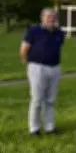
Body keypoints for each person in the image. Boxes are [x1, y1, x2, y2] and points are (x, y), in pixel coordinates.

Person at [20, 8, 65, 136]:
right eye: (48, 16)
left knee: (50, 99)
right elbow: (24, 48)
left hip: (54, 67)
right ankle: (34, 128)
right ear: (42, 17)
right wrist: (28, 64)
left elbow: (59, 48)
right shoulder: (33, 31)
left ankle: (49, 127)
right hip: (37, 67)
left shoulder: (59, 33)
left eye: (54, 16)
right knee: (37, 99)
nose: (51, 19)